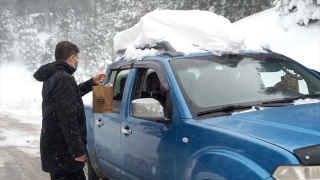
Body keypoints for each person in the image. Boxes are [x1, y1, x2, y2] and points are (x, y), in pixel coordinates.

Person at [33, 41, 106, 180]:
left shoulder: (54, 76)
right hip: (64, 153)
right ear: (72, 58)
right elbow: (67, 118)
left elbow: (69, 96)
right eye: (77, 58)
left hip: (56, 149)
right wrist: (78, 151)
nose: (77, 61)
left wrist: (91, 83)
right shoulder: (64, 78)